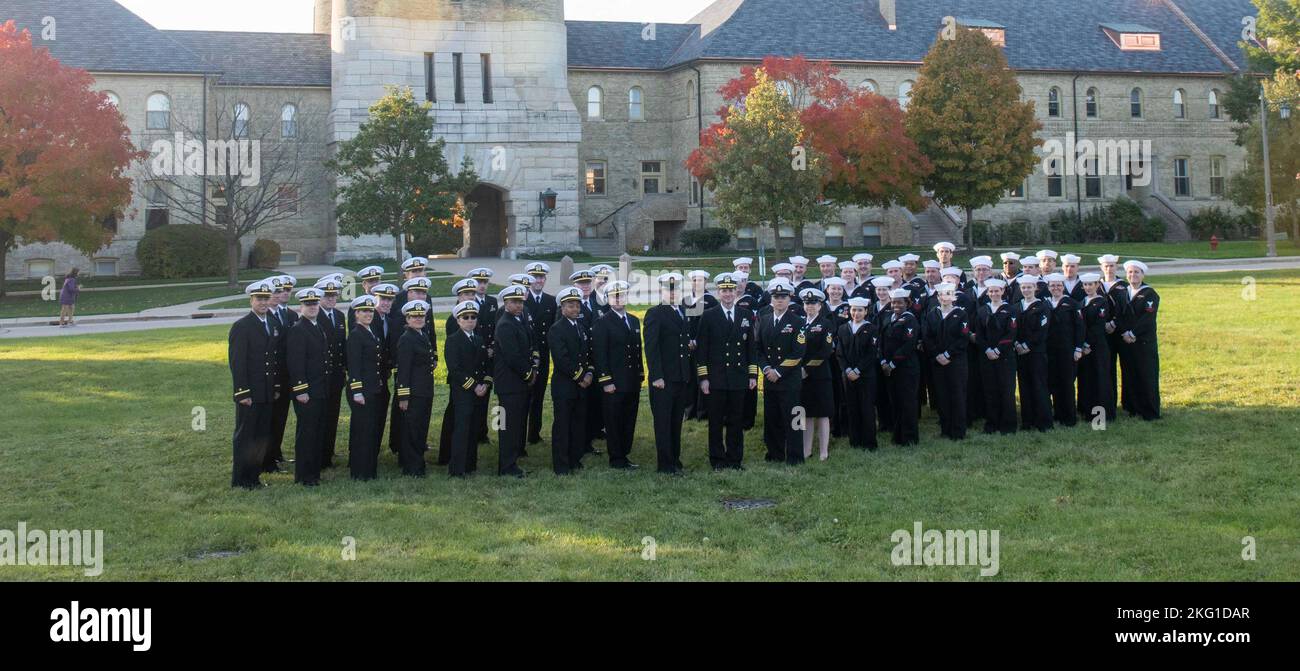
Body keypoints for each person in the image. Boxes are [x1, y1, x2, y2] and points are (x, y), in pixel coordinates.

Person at [695, 273, 758, 470]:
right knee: (715, 422)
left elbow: (751, 348)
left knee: (736, 420)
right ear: (719, 292)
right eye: (724, 290)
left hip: (738, 377)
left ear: (736, 291)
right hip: (716, 378)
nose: (728, 294)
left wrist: (752, 375)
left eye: (731, 290)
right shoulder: (709, 315)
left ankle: (734, 459)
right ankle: (717, 460)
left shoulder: (746, 315)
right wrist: (704, 378)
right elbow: (702, 350)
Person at [228, 279, 280, 489]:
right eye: (259, 299)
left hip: (267, 391)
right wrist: (242, 392)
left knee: (261, 436)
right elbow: (237, 362)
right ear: (251, 300)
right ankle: (241, 479)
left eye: (266, 298)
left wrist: (275, 387)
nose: (263, 302)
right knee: (246, 436)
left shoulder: (272, 323)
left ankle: (254, 476)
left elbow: (273, 359)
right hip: (250, 392)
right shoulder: (242, 326)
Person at [644, 273, 692, 475]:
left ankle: (675, 459)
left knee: (675, 422)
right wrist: (656, 376)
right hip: (663, 379)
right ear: (662, 291)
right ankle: (665, 465)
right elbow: (651, 348)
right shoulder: (655, 313)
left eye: (676, 289)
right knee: (663, 423)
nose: (673, 293)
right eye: (669, 290)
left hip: (680, 377)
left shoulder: (682, 310)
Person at [593, 281, 644, 470]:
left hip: (631, 380)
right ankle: (616, 458)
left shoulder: (632, 320)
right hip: (613, 382)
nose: (618, 299)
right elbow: (600, 354)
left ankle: (625, 453)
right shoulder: (602, 322)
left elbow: (637, 351)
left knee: (629, 418)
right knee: (614, 420)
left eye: (622, 295)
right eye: (614, 296)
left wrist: (640, 373)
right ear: (607, 299)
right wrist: (606, 380)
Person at [438, 278, 488, 466]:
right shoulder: (453, 340)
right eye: (465, 317)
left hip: (478, 390)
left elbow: (484, 364)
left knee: (473, 426)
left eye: (473, 317)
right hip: (463, 389)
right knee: (461, 427)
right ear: (458, 320)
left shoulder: (478, 339)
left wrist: (485, 384)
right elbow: (455, 368)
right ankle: (457, 466)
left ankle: (470, 463)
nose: (469, 321)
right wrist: (474, 386)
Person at [757, 280, 807, 465]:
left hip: (789, 380)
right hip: (770, 379)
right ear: (771, 299)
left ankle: (795, 456)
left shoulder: (798, 322)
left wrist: (778, 371)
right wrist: (766, 369)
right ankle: (775, 454)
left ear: (790, 299)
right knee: (772, 419)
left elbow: (798, 353)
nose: (779, 300)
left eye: (783, 297)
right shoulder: (764, 319)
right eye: (776, 297)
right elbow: (758, 349)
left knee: (794, 419)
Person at [288, 287, 330, 486]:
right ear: (301, 306)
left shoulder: (317, 326)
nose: (312, 307)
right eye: (308, 304)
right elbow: (296, 363)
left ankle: (313, 472)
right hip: (307, 392)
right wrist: (301, 390)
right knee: (307, 434)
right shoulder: (298, 329)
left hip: (320, 390)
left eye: (315, 304)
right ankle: (304, 475)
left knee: (317, 432)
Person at [549, 287, 593, 475]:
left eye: (577, 305)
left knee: (578, 424)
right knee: (563, 426)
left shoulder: (580, 327)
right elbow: (562, 359)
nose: (575, 309)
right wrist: (580, 377)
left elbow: (588, 354)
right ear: (562, 307)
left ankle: (575, 459)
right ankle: (561, 464)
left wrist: (589, 373)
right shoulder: (557, 329)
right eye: (570, 306)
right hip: (565, 386)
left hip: (582, 386)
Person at [494, 285, 534, 477]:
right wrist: (529, 374)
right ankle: (506, 466)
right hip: (509, 384)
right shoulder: (505, 324)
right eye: (514, 302)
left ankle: (511, 462)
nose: (519, 305)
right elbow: (513, 356)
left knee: (514, 425)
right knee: (506, 426)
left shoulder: (517, 320)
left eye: (521, 302)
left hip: (516, 383)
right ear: (506, 303)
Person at [922, 282, 970, 440]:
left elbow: (963, 339)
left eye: (948, 294)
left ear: (953, 296)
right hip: (938, 362)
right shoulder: (931, 314)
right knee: (942, 395)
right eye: (942, 294)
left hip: (956, 362)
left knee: (957, 395)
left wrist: (948, 354)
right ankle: (945, 429)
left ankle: (958, 431)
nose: (945, 297)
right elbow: (927, 337)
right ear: (938, 296)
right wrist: (937, 354)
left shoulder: (961, 314)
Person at [394, 299, 435, 477]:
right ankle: (412, 467)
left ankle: (418, 462)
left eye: (421, 316)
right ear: (407, 319)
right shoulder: (406, 339)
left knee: (421, 428)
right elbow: (403, 370)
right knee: (412, 430)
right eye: (414, 316)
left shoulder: (422, 335)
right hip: (414, 392)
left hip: (425, 390)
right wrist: (403, 396)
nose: (418, 319)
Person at [345, 295, 384, 481]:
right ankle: (360, 472)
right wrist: (357, 391)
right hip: (362, 391)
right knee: (362, 432)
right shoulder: (355, 334)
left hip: (373, 388)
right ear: (356, 314)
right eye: (364, 311)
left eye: (370, 311)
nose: (368, 314)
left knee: (370, 430)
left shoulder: (370, 331)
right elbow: (354, 366)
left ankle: (369, 469)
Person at [1119, 260, 1161, 420]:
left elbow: (1147, 318)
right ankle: (1132, 408)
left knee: (1146, 375)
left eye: (1136, 272)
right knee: (1130, 375)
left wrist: (1133, 333)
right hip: (1127, 342)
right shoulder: (1124, 292)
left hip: (1143, 342)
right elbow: (1120, 315)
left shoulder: (1150, 294)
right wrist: (1124, 332)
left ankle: (1150, 411)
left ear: (1143, 274)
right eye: (1130, 272)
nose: (1133, 275)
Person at [798, 288, 835, 461]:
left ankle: (823, 451)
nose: (809, 306)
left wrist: (807, 369)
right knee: (806, 413)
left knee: (822, 413)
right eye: (807, 303)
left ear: (820, 305)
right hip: (802, 377)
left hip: (819, 375)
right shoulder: (800, 324)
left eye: (813, 303)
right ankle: (806, 449)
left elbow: (825, 351)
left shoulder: (826, 324)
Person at [976, 279, 1017, 435]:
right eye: (991, 291)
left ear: (1002, 291)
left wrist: (998, 350)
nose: (994, 294)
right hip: (987, 357)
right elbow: (979, 335)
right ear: (987, 293)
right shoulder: (982, 311)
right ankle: (992, 423)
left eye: (997, 291)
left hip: (1005, 357)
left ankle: (1008, 425)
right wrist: (987, 349)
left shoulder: (1010, 310)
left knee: (1006, 390)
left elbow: (1011, 333)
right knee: (990, 390)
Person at [314, 275, 348, 469]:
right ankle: (318, 455)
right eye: (327, 295)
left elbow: (342, 346)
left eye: (334, 295)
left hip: (336, 376)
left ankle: (328, 453)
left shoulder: (339, 316)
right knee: (319, 417)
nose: (331, 299)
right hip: (320, 377)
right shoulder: (313, 316)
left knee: (332, 416)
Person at [880, 288, 921, 446]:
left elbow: (908, 345)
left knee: (907, 402)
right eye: (893, 302)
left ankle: (909, 437)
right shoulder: (888, 318)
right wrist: (883, 361)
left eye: (899, 302)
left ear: (907, 303)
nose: (896, 305)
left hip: (906, 368)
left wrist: (892, 363)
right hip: (889, 369)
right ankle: (897, 436)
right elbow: (882, 342)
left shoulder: (910, 320)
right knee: (895, 402)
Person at [836, 296, 878, 450]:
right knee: (851, 407)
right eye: (854, 310)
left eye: (860, 310)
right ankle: (855, 440)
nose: (856, 313)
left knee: (866, 407)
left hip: (866, 375)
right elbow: (840, 353)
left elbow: (871, 354)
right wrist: (847, 369)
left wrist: (858, 370)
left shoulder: (872, 329)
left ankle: (869, 442)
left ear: (866, 311)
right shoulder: (843, 328)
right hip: (847, 375)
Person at [265, 275, 297, 473]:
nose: (281, 294)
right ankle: (268, 458)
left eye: (285, 290)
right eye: (276, 291)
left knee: (281, 418)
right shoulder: (265, 318)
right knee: (270, 419)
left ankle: (276, 452)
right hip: (272, 378)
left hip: (288, 376)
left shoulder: (291, 316)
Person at [1044, 273, 1085, 427]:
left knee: (1066, 383)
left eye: (1059, 285)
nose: (1056, 288)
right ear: (1048, 288)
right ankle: (1057, 413)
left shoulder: (1072, 304)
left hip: (1067, 350)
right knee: (1052, 382)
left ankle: (1069, 417)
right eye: (1053, 285)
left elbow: (1080, 328)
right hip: (1049, 351)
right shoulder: (1045, 304)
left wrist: (1078, 348)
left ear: (1063, 287)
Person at [1013, 276, 1053, 432]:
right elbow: (1012, 329)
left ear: (1035, 288)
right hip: (1020, 353)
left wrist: (1028, 345)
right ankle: (1027, 421)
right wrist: (1017, 344)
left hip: (1036, 352)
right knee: (1024, 387)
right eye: (1023, 288)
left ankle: (1043, 421)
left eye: (1029, 287)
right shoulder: (1016, 307)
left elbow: (1042, 331)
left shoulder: (1043, 307)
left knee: (1039, 385)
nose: (1026, 290)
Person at [523, 262, 556, 445]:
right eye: (535, 277)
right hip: (525, 355)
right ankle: (518, 432)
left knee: (539, 395)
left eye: (541, 277)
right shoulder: (521, 300)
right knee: (523, 396)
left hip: (543, 355)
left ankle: (534, 433)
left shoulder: (551, 301)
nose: (538, 280)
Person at [1076, 273, 1115, 423]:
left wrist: (1086, 344)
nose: (1088, 287)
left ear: (1097, 285)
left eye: (1091, 284)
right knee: (1087, 380)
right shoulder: (1081, 302)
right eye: (1085, 285)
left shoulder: (1101, 302)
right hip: (1085, 349)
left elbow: (1098, 327)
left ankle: (1103, 415)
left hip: (1097, 347)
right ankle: (1088, 412)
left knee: (1100, 380)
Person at [1098, 254, 1130, 414]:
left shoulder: (1123, 286)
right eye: (1106, 266)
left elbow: (1125, 309)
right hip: (1103, 334)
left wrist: (1114, 323)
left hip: (1119, 331)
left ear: (1116, 267)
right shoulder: (1097, 285)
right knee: (1106, 367)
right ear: (1101, 268)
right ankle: (1109, 402)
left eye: (1111, 266)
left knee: (1126, 367)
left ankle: (1128, 403)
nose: (1109, 269)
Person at [370, 283, 399, 452]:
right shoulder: (368, 318)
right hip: (370, 377)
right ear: (375, 298)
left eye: (389, 300)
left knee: (380, 412)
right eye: (383, 299)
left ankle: (375, 447)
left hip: (383, 375)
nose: (386, 303)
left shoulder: (391, 321)